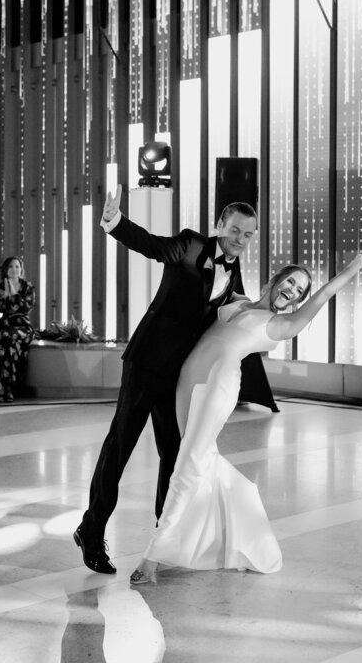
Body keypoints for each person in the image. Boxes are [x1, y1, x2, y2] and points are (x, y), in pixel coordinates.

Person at [129, 252, 362, 584]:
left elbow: (323, 297)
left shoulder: (279, 325)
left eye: (300, 290)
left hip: (216, 387)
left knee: (188, 464)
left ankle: (153, 556)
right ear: (276, 279)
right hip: (187, 381)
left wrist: (352, 269)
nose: (293, 290)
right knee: (199, 462)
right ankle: (234, 531)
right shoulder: (239, 302)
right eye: (291, 281)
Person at [73, 193, 259, 575]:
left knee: (173, 455)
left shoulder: (234, 272)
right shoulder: (190, 244)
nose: (240, 239)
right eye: (235, 230)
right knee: (120, 446)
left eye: (249, 234)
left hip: (178, 376)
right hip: (146, 364)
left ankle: (164, 539)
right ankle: (91, 532)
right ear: (220, 226)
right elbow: (150, 245)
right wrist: (115, 222)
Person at [0, 256, 35, 404]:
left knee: (9, 339)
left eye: (17, 267)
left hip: (22, 325)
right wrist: (1, 301)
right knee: (3, 340)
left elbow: (25, 307)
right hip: (6, 323)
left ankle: (8, 388)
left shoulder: (27, 286)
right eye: (11, 267)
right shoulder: (0, 286)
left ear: (21, 269)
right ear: (5, 270)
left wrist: (13, 295)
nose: (14, 270)